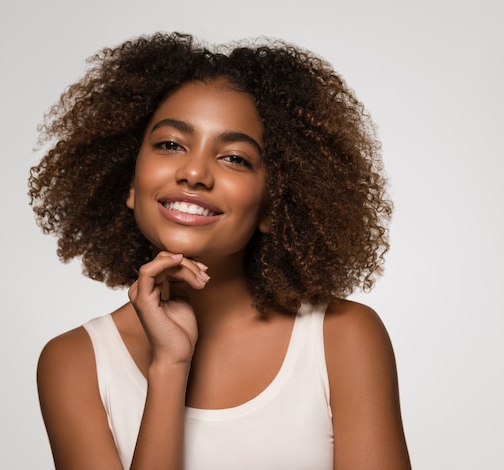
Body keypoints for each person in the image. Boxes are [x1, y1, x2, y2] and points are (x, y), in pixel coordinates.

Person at [29, 32, 411, 470]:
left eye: (235, 158)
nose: (193, 172)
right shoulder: (75, 363)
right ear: (130, 184)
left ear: (273, 204)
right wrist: (170, 366)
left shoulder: (343, 337)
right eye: (170, 144)